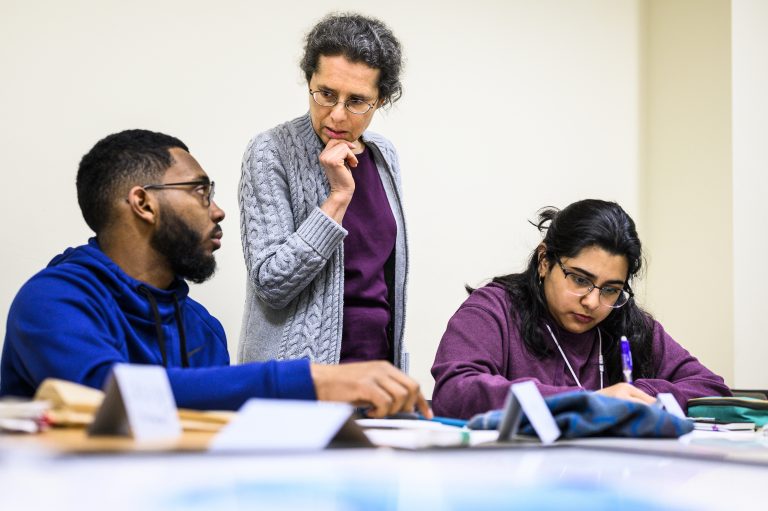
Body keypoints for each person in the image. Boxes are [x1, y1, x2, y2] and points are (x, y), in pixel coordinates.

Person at [0, 129, 430, 418]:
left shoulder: (202, 328)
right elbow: (103, 396)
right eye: (200, 191)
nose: (220, 210)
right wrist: (308, 378)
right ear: (143, 203)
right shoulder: (53, 301)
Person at [431, 199, 730, 419]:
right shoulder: (493, 310)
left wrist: (640, 397)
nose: (592, 302)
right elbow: (455, 392)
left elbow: (712, 390)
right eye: (579, 279)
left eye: (611, 289)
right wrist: (589, 401)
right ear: (545, 261)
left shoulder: (626, 322)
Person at [238, 13, 410, 371]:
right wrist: (337, 198)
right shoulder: (271, 151)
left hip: (374, 371)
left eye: (357, 101)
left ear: (379, 101)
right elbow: (271, 283)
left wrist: (396, 369)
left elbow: (383, 282)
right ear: (309, 81)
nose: (337, 115)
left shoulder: (383, 155)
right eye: (326, 94)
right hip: (296, 376)